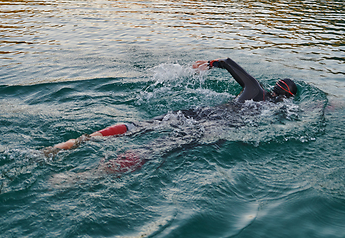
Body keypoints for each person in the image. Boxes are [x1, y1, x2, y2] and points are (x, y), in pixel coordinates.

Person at [45, 58, 298, 174]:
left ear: (274, 86)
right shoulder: (277, 110)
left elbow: (231, 64)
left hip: (198, 113)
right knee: (154, 149)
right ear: (288, 97)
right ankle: (86, 176)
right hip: (213, 129)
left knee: (140, 125)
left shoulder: (255, 90)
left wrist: (213, 63)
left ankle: (77, 142)